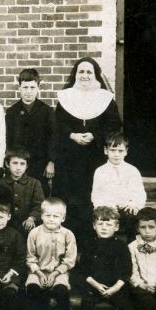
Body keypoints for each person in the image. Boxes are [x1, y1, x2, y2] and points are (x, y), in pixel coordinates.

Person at [53, 57, 122, 251]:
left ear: (96, 75)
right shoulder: (65, 97)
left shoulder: (106, 98)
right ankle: (66, 245)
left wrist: (94, 135)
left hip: (94, 158)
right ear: (75, 74)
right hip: (69, 158)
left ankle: (89, 245)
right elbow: (57, 124)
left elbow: (114, 125)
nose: (85, 75)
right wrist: (72, 135)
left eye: (89, 72)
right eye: (81, 72)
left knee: (90, 199)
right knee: (69, 199)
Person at [74, 206, 145, 310]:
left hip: (115, 287)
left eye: (109, 224)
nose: (104, 228)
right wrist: (96, 284)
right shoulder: (89, 244)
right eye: (100, 224)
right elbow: (83, 270)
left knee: (126, 304)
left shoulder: (121, 246)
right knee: (86, 301)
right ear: (94, 225)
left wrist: (115, 288)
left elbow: (126, 271)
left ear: (117, 227)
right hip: (94, 285)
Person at [25, 198, 77, 310]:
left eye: (56, 216)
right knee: (35, 290)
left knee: (61, 291)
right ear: (41, 216)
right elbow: (30, 258)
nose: (51, 219)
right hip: (38, 271)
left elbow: (69, 260)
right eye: (48, 215)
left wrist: (55, 274)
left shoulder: (68, 235)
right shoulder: (34, 233)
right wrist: (39, 273)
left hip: (59, 272)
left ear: (63, 217)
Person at [5, 68, 56, 195]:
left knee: (39, 194)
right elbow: (8, 140)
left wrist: (51, 161)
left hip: (40, 164)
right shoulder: (12, 112)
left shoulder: (47, 111)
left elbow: (54, 138)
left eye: (32, 87)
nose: (28, 91)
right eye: (25, 87)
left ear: (38, 87)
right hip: (18, 164)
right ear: (19, 88)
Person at [91, 132, 146, 242]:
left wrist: (133, 203)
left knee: (132, 219)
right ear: (106, 151)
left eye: (120, 151)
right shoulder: (100, 171)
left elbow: (139, 192)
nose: (116, 154)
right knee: (103, 220)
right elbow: (97, 194)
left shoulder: (132, 170)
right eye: (112, 150)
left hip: (126, 208)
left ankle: (131, 248)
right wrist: (107, 206)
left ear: (126, 151)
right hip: (107, 208)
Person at [0, 148, 44, 236]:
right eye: (15, 163)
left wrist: (32, 218)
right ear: (7, 164)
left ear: (26, 166)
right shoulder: (1, 183)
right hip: (6, 226)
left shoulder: (34, 183)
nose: (18, 168)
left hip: (27, 227)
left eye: (22, 164)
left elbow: (39, 205)